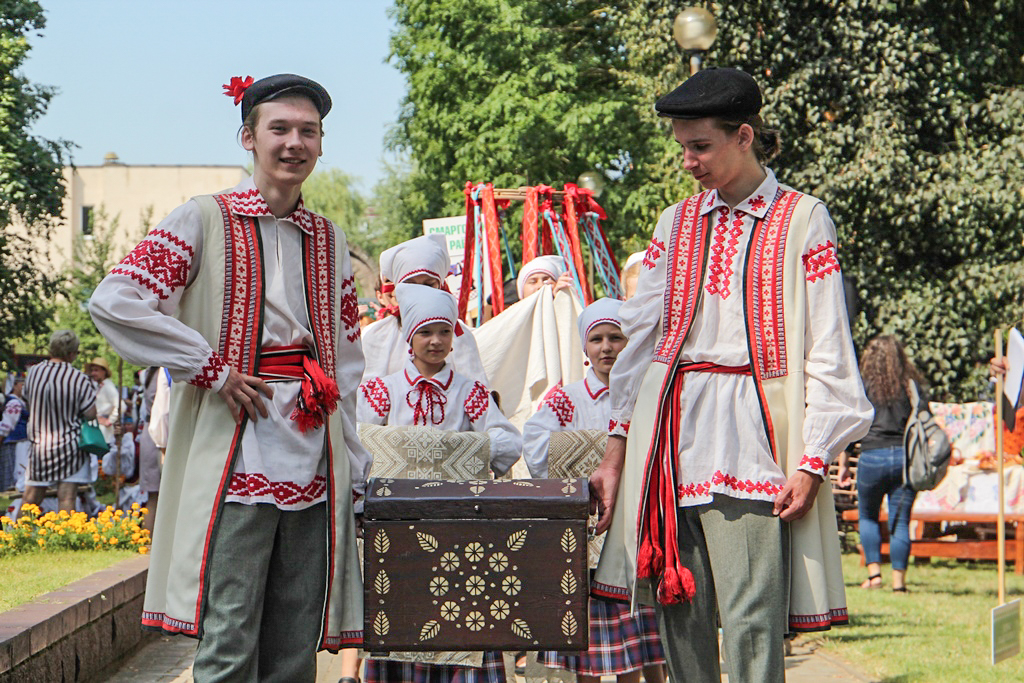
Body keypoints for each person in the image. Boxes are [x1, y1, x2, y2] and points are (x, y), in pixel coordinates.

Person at [588, 68, 873, 683]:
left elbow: (827, 347)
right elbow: (641, 344)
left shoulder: (802, 219)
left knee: (751, 621)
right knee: (678, 609)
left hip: (754, 439)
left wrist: (813, 457)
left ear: (744, 136)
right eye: (681, 147)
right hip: (669, 441)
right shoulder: (676, 223)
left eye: (701, 146)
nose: (688, 161)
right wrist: (615, 452)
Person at [89, 73, 370, 681]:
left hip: (313, 451)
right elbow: (115, 300)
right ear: (248, 137)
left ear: (321, 144)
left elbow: (346, 357)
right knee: (230, 634)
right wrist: (209, 367)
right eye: (280, 129)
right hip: (237, 452)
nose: (294, 143)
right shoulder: (203, 218)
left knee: (296, 640)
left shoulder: (329, 238)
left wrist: (353, 456)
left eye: (308, 132)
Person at [358, 283, 521, 683]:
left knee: (460, 618)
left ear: (454, 337)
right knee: (403, 620)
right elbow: (358, 446)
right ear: (409, 338)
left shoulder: (471, 393)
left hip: (459, 531)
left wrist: (449, 450)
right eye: (426, 332)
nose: (435, 341)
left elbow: (508, 444)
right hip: (397, 535)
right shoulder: (383, 391)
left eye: (444, 331)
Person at [523, 298, 665, 683]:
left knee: (641, 644)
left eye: (616, 338)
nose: (607, 347)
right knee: (590, 648)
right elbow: (536, 442)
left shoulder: (648, 395)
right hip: (589, 540)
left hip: (638, 531)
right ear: (585, 347)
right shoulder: (566, 398)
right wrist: (581, 464)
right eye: (597, 339)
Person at [839, 335, 925, 592]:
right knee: (900, 521)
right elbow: (923, 419)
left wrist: (844, 463)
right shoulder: (911, 386)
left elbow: (851, 426)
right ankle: (899, 583)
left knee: (867, 516)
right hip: (903, 458)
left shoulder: (863, 386)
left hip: (871, 457)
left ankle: (874, 576)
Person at [360, 234, 489, 384]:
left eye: (428, 285)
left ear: (441, 286)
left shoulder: (461, 336)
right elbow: (366, 399)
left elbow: (477, 392)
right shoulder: (376, 336)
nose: (420, 292)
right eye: (411, 285)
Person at [20, 330, 98, 517]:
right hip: (70, 446)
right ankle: (65, 538)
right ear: (71, 353)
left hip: (39, 445)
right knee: (67, 498)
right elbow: (90, 414)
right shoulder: (79, 378)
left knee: (31, 496)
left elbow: (26, 400)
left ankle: (16, 535)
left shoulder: (33, 373)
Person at [1, 372, 28, 491]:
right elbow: (6, 426)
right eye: (22, 384)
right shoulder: (14, 403)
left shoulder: (20, 402)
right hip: (15, 443)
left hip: (21, 442)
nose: (24, 388)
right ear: (15, 385)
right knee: (17, 470)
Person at [85, 357, 119, 442]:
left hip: (104, 431)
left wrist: (110, 420)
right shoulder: (99, 385)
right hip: (97, 428)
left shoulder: (108, 386)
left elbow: (121, 405)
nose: (93, 373)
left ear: (104, 371)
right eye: (92, 370)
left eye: (96, 370)